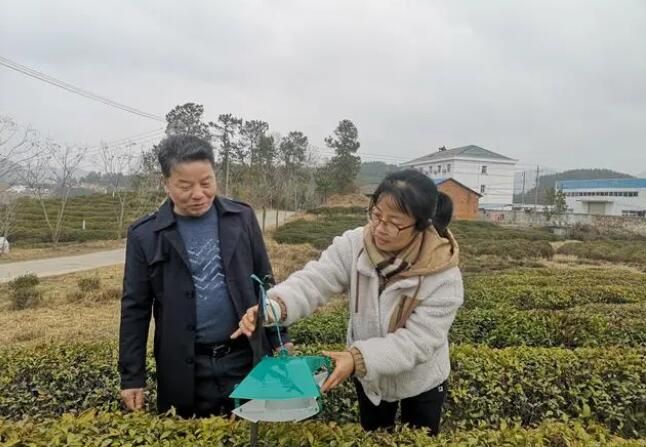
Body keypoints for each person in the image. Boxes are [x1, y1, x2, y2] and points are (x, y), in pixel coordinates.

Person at [232, 169, 463, 435]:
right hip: (370, 378)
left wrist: (357, 358)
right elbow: (315, 280)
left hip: (421, 379)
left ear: (421, 225)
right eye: (376, 215)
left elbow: (418, 341)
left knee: (420, 437)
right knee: (374, 434)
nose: (379, 228)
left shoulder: (443, 276)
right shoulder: (355, 245)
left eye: (394, 222)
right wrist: (274, 306)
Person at [119, 135, 288, 418]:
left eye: (206, 182)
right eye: (185, 186)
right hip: (185, 366)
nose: (198, 193)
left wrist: (280, 335)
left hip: (244, 356)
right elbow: (134, 308)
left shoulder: (241, 217)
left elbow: (265, 279)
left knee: (252, 430)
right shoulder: (145, 235)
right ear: (166, 184)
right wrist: (131, 376)